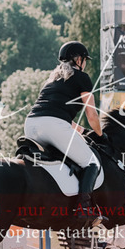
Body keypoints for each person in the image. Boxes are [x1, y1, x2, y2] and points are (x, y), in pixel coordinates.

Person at [24, 41, 103, 226]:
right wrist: (99, 134)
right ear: (78, 59)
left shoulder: (52, 79)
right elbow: (92, 115)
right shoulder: (82, 77)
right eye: (84, 60)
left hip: (31, 125)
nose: (85, 63)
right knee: (91, 163)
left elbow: (60, 115)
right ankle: (84, 209)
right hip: (53, 126)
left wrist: (83, 131)